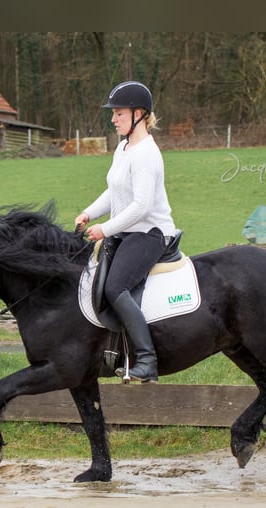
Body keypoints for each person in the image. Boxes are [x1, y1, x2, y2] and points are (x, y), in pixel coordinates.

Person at [74, 80, 176, 383]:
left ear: (139, 114)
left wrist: (104, 229)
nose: (113, 119)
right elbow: (114, 191)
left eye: (118, 114)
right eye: (114, 114)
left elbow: (141, 206)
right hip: (127, 231)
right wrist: (89, 213)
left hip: (149, 233)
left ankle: (147, 361)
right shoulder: (124, 148)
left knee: (114, 287)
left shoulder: (146, 154)